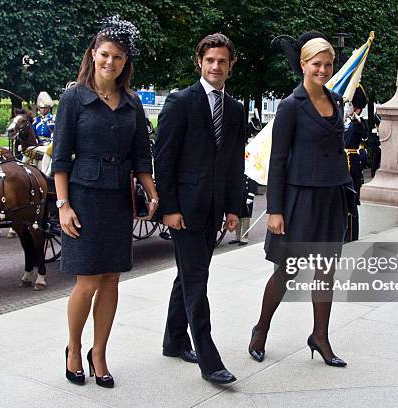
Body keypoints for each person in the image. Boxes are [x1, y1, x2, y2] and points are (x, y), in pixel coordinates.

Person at [52, 15, 157, 388]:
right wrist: (63, 205)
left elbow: (142, 155)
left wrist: (151, 189)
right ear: (93, 54)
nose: (111, 62)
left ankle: (100, 353)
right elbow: (60, 160)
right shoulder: (74, 98)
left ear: (125, 63)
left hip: (117, 199)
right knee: (87, 280)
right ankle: (74, 348)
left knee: (111, 279)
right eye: (105, 55)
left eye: (118, 57)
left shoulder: (131, 102)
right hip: (83, 198)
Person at [248, 31, 351, 367]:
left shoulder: (335, 100)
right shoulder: (292, 107)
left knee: (326, 272)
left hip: (331, 198)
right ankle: (261, 329)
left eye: (328, 64)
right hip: (299, 199)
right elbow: (278, 159)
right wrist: (275, 210)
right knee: (287, 271)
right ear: (304, 65)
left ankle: (319, 336)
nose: (323, 69)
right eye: (316, 64)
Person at [154, 33, 246, 385]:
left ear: (230, 65)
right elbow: (164, 160)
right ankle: (209, 360)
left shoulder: (236, 109)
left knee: (189, 274)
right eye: (210, 60)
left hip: (214, 211)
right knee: (197, 281)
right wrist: (170, 208)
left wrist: (234, 207)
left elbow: (234, 162)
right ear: (200, 62)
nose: (216, 66)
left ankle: (174, 339)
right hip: (185, 211)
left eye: (223, 61)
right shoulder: (180, 102)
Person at [344, 86, 369, 242]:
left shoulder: (358, 122)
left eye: (351, 105)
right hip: (341, 162)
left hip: (351, 164)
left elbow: (361, 129)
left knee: (350, 202)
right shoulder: (345, 120)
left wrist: (353, 116)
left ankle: (351, 236)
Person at [229, 175, 255, 246]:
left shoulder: (251, 171)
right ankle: (237, 236)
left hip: (246, 196)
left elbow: (253, 183)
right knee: (238, 216)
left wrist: (251, 195)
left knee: (245, 217)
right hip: (238, 195)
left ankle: (244, 237)